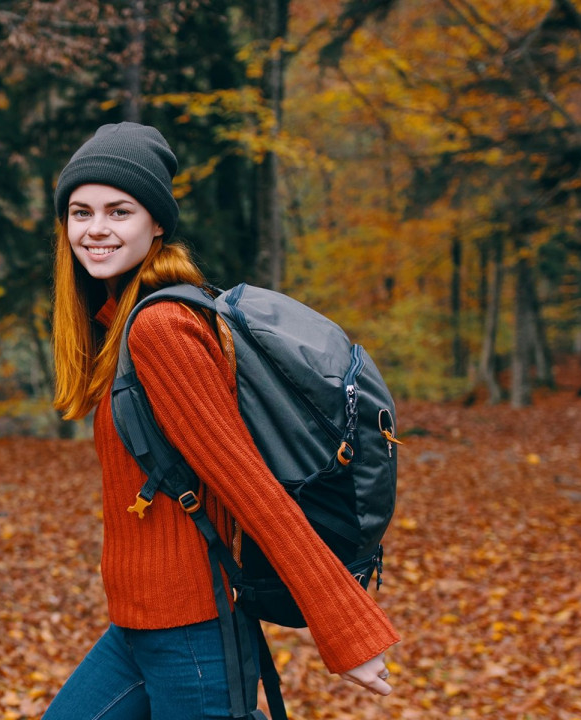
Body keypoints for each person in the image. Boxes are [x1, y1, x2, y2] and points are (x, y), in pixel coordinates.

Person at [42, 122, 400, 719]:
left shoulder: (160, 329)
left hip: (193, 635)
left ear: (157, 223)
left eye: (119, 211)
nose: (96, 229)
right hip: (139, 628)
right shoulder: (122, 322)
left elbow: (249, 488)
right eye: (81, 212)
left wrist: (346, 626)